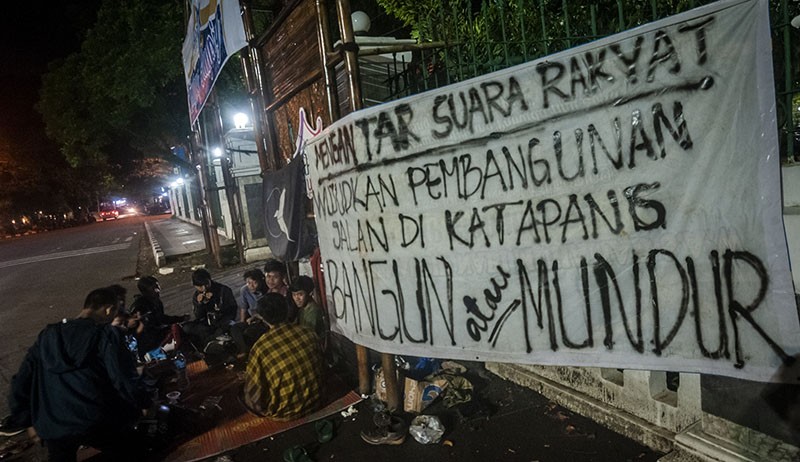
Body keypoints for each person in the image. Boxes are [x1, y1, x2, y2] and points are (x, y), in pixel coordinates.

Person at [6, 287, 152, 461]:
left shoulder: (47, 336)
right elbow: (123, 378)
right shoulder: (105, 335)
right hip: (95, 419)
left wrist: (26, 420)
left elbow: (21, 381)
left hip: (53, 423)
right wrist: (144, 402)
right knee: (132, 449)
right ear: (108, 310)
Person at [243, 293, 323, 420]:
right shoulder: (308, 332)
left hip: (286, 412)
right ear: (287, 310)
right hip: (317, 401)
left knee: (245, 392)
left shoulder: (260, 348)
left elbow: (253, 393)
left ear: (263, 318)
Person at [128, 276, 188, 358]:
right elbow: (159, 320)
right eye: (154, 288)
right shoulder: (140, 307)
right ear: (145, 291)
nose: (158, 290)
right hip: (147, 341)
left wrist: (180, 319)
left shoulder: (156, 302)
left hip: (156, 334)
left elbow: (162, 318)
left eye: (157, 286)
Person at [182, 268, 237, 350]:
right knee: (187, 328)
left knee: (227, 327)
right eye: (200, 286)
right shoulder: (196, 296)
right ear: (195, 286)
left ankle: (213, 342)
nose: (204, 288)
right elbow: (198, 316)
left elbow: (232, 310)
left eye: (206, 284)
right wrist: (200, 304)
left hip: (222, 322)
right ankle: (209, 343)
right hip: (207, 325)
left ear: (210, 280)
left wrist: (215, 301)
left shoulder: (223, 290)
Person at [230, 269, 270, 357]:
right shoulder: (244, 290)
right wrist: (242, 322)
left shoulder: (268, 289)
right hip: (252, 319)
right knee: (235, 328)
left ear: (261, 281)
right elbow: (243, 308)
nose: (251, 286)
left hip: (265, 320)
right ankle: (243, 350)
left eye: (254, 283)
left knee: (250, 332)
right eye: (248, 283)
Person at [290, 275, 325, 341]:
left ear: (310, 293)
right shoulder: (303, 309)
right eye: (294, 295)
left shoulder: (313, 312)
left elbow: (308, 337)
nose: (296, 299)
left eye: (300, 294)